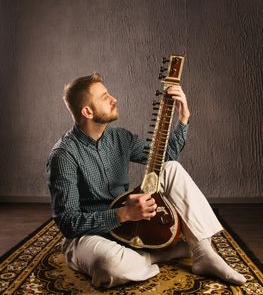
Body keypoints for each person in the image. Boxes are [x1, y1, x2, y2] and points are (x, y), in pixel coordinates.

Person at [46, 73, 246, 288]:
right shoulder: (63, 155)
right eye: (105, 97)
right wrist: (122, 214)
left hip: (129, 226)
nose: (114, 99)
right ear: (87, 111)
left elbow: (165, 157)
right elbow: (68, 223)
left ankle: (203, 253)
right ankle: (157, 255)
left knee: (171, 168)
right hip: (88, 235)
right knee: (109, 265)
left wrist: (183, 118)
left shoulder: (119, 138)